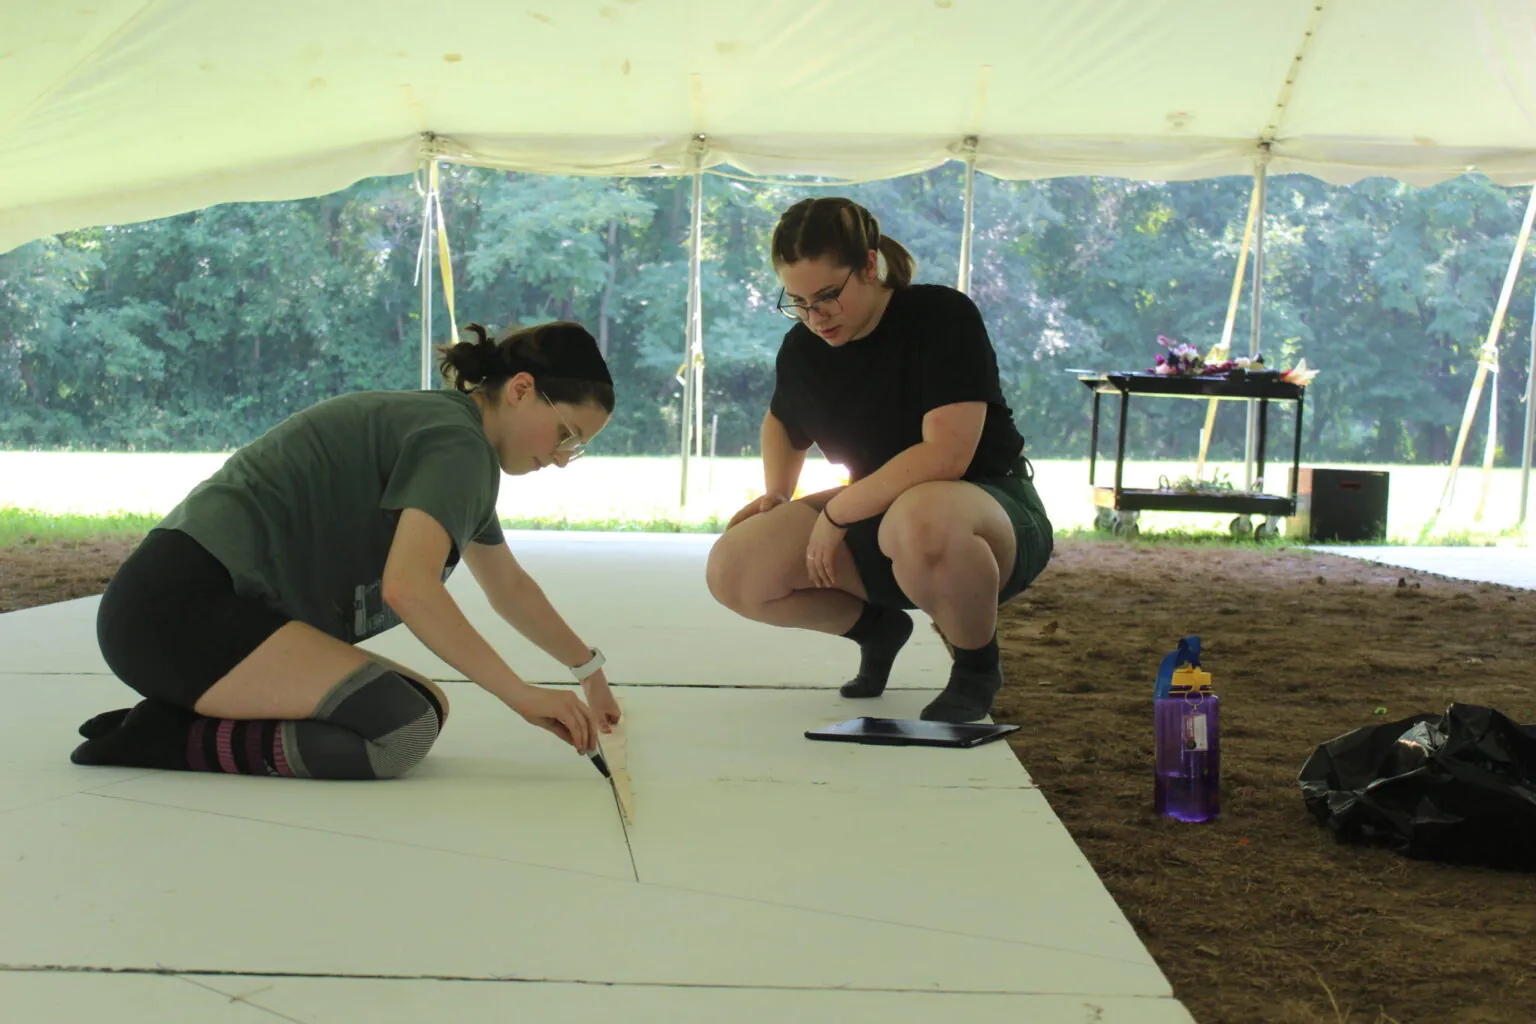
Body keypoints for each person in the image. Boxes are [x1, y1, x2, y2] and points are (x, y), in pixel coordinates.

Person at [70, 320, 620, 780]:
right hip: (178, 611)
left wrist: (589, 671)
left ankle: (184, 710)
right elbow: (411, 588)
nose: (562, 458)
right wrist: (521, 695)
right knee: (401, 732)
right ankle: (163, 737)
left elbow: (508, 586)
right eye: (566, 435)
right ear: (521, 389)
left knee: (425, 703)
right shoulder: (459, 448)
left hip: (181, 610)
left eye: (579, 449)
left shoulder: (451, 436)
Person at [706, 197, 1053, 723]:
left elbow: (947, 455)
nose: (813, 316)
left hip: (988, 509)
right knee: (734, 567)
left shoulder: (941, 316)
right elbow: (782, 419)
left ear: (869, 266)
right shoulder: (802, 347)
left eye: (826, 296)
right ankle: (877, 628)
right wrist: (778, 492)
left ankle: (977, 667)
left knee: (923, 516)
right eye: (795, 301)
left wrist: (838, 512)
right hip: (880, 513)